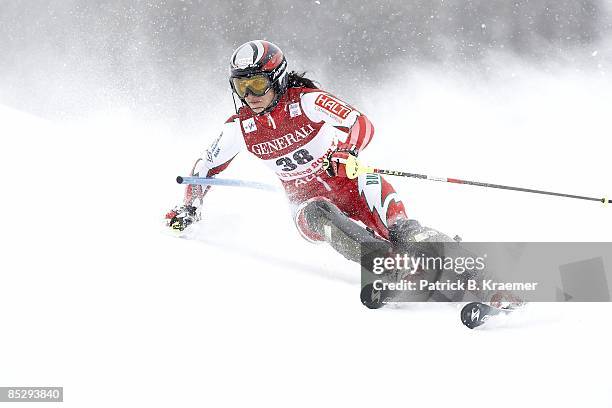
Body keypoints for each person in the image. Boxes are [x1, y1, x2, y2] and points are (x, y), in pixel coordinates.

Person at [164, 39, 452, 264]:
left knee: (403, 231)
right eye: (242, 86)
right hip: (305, 204)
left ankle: (462, 262)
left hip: (352, 184)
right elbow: (205, 168)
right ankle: (383, 263)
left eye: (257, 84)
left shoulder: (306, 101)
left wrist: (348, 152)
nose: (250, 96)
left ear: (276, 78)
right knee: (318, 212)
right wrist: (190, 207)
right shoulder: (241, 127)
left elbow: (360, 122)